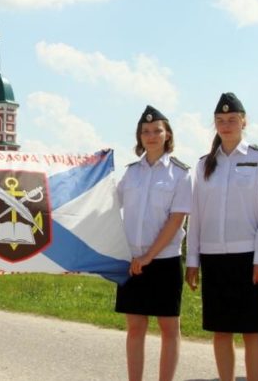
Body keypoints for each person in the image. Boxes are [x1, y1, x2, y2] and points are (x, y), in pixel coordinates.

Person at [186, 93, 258, 381]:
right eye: (220, 121)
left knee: (251, 330)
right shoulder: (204, 164)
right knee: (221, 330)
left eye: (232, 120)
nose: (226, 125)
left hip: (248, 257)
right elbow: (196, 215)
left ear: (244, 122)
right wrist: (193, 260)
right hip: (213, 256)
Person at [116, 105, 192, 381]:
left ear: (167, 134)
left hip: (164, 261)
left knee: (169, 328)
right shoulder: (131, 173)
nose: (151, 135)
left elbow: (176, 221)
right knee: (135, 328)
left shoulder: (180, 174)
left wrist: (149, 256)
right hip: (132, 260)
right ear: (139, 137)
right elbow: (110, 205)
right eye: (145, 131)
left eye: (156, 130)